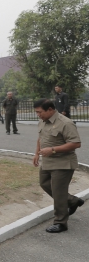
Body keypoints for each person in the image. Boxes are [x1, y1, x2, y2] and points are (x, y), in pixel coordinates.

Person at [32, 99, 84, 233]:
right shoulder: (43, 121)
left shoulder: (65, 123)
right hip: (48, 161)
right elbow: (41, 137)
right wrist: (36, 153)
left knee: (58, 192)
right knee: (44, 183)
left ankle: (60, 222)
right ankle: (72, 201)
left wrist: (53, 150)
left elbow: (76, 143)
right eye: (36, 112)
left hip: (63, 162)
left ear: (50, 109)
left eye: (40, 112)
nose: (38, 114)